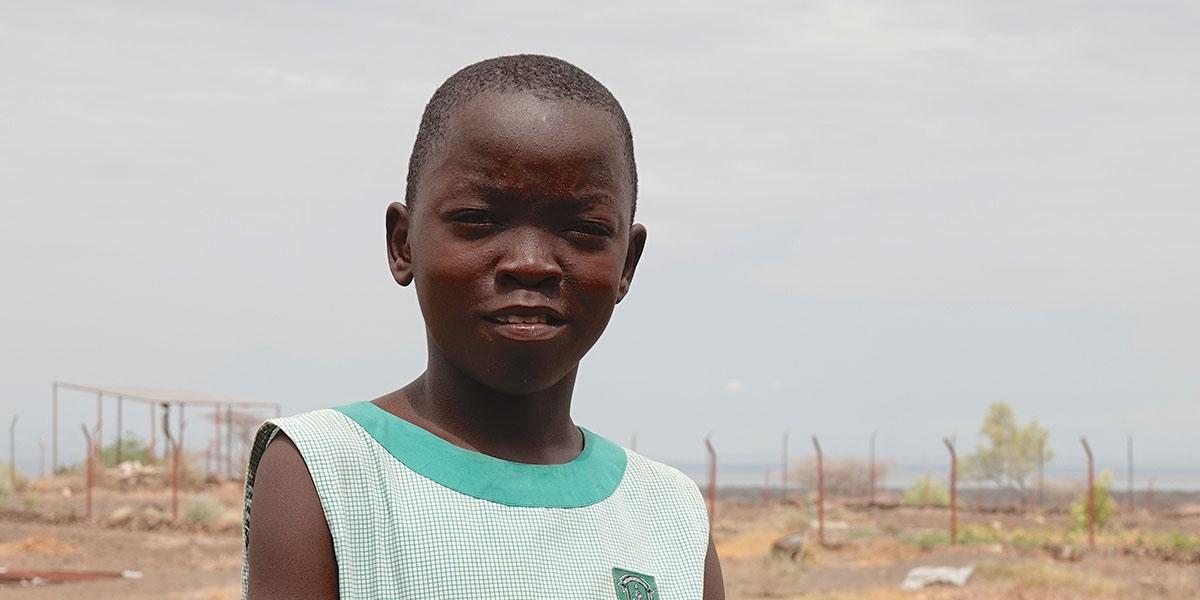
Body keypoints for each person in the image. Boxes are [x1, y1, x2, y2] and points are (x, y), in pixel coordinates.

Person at [242, 54, 724, 599]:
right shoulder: (328, 472)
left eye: (584, 229)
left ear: (627, 265)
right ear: (403, 244)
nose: (532, 263)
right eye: (478, 220)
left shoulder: (672, 515)